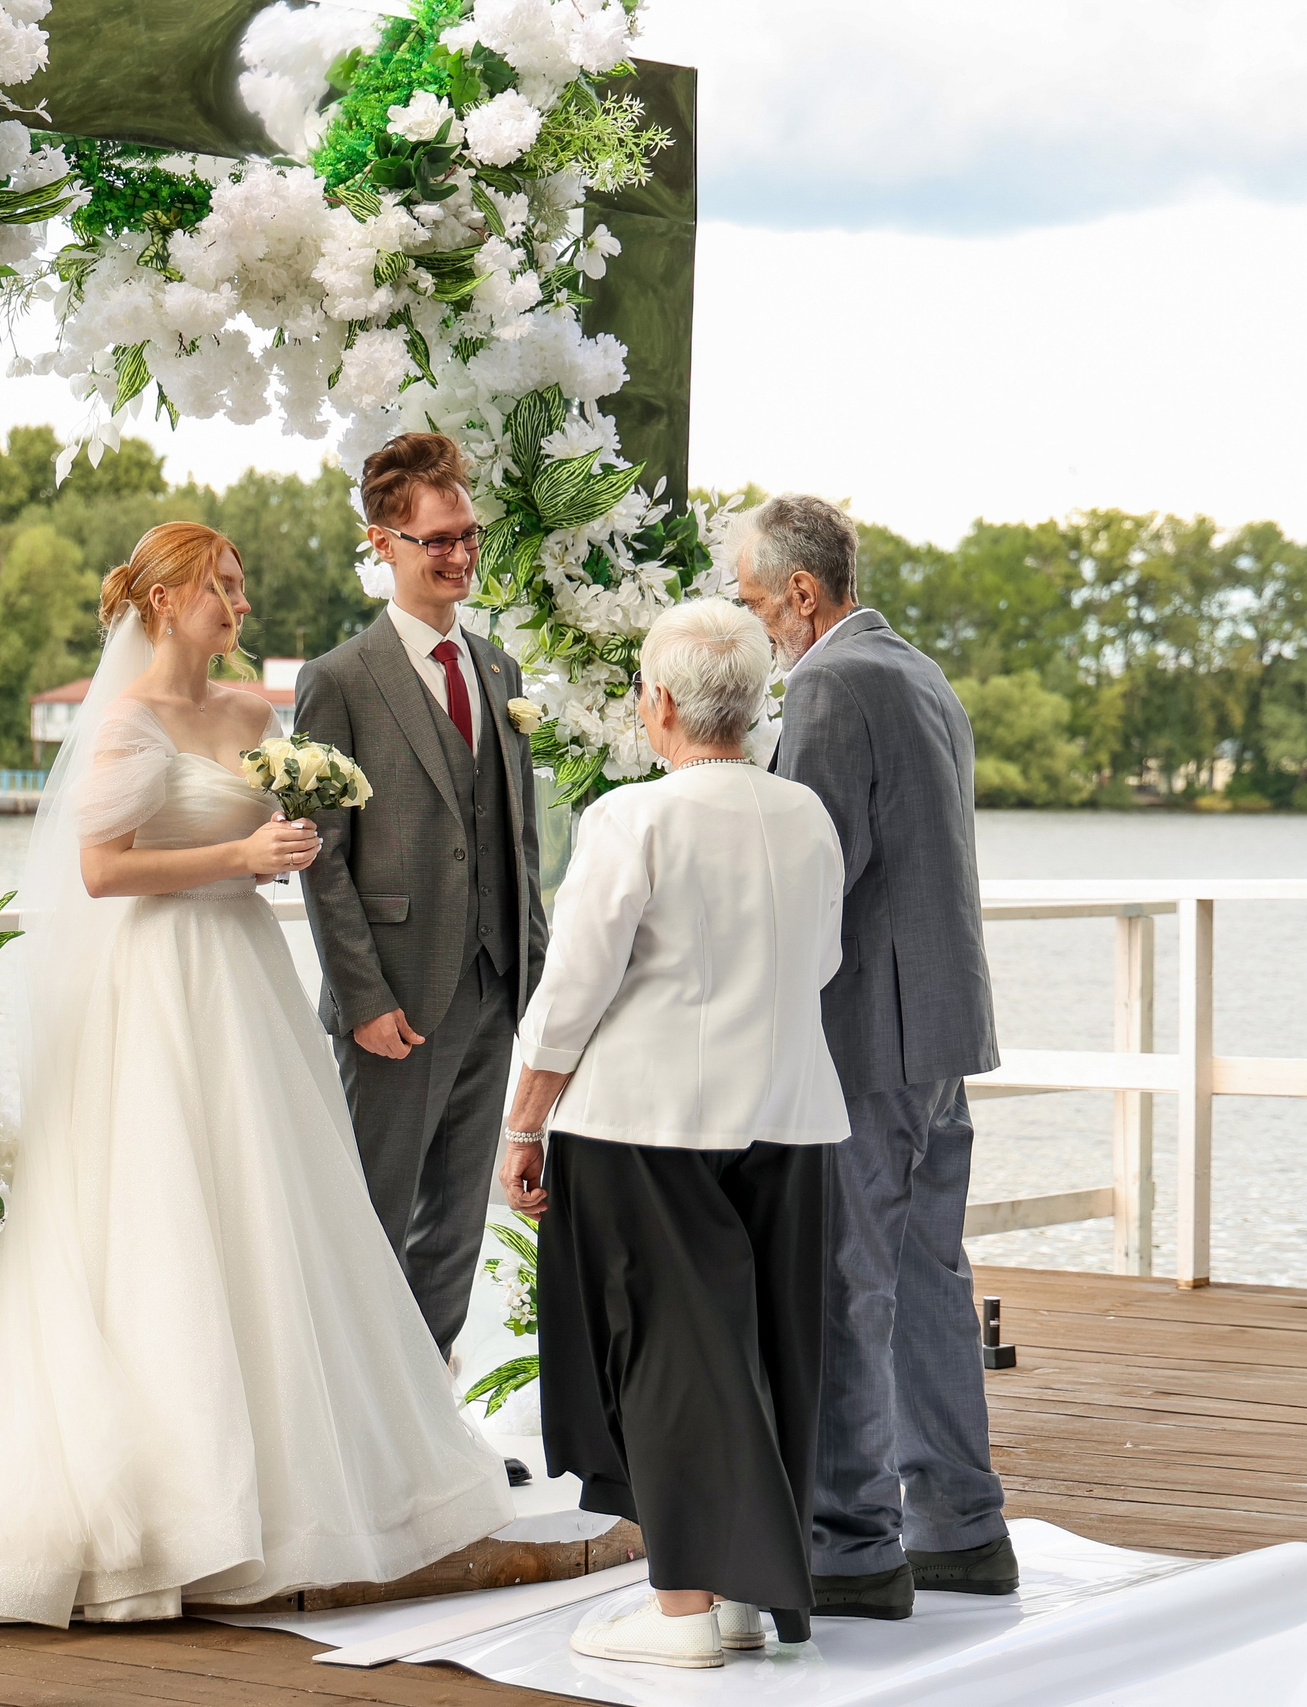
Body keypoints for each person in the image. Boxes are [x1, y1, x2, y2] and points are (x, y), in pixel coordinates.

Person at [0, 522, 512, 1625]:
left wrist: (293, 843)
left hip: (240, 977)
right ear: (167, 600)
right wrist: (238, 857)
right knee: (161, 1211)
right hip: (157, 981)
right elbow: (101, 870)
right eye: (221, 590)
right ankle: (169, 1501)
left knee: (267, 1208)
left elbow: (277, 836)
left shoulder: (250, 715)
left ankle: (298, 1487)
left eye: (239, 587)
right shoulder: (128, 723)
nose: (238, 606)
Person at [497, 599, 851, 1669]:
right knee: (767, 1356)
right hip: (788, 1113)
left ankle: (685, 1615)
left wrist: (524, 1122)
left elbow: (573, 988)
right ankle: (742, 1603)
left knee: (662, 1361)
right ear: (751, 708)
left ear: (657, 704)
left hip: (646, 1122)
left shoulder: (630, 819)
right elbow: (821, 964)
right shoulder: (806, 816)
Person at [733, 494, 1014, 1620]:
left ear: (802, 593)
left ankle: (852, 1542)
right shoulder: (918, 670)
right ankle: (961, 1524)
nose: (752, 625)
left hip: (869, 1030)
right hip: (937, 1024)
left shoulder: (832, 682)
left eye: (754, 601)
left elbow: (818, 867)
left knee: (847, 1278)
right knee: (927, 1277)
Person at [296, 433, 550, 1364]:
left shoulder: (499, 671)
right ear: (383, 544)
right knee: (371, 1218)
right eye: (435, 539)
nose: (457, 554)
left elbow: (516, 842)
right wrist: (363, 999)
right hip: (393, 1003)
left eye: (466, 535)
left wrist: (538, 987)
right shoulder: (338, 681)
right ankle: (359, 1424)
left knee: (455, 1229)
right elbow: (323, 857)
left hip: (491, 994)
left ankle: (425, 1418)